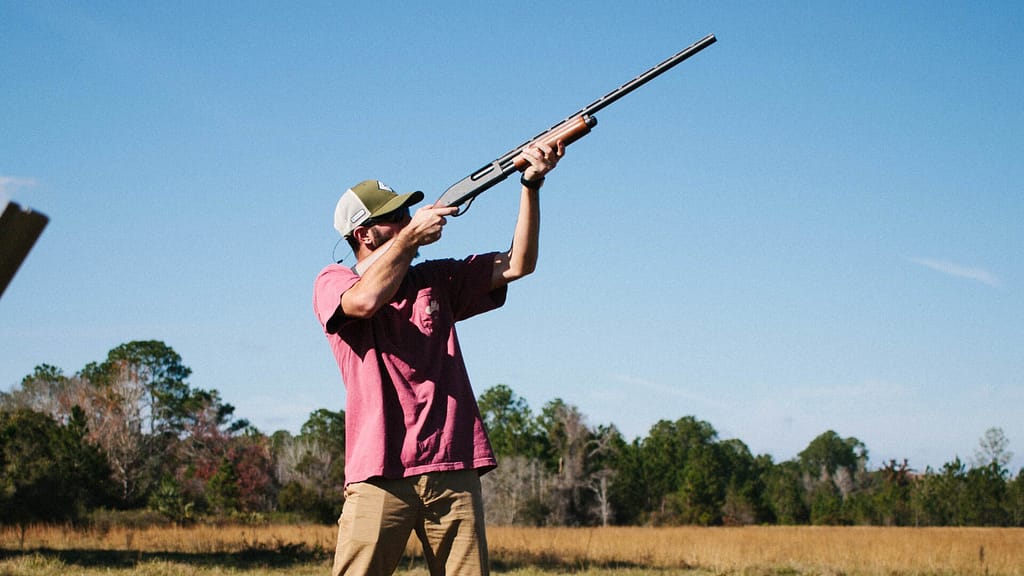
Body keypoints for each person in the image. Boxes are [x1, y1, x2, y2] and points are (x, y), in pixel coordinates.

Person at [312, 141, 564, 576]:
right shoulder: (333, 281)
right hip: (379, 472)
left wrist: (532, 184)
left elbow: (519, 264)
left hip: (453, 462)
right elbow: (364, 301)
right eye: (393, 218)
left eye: (407, 213)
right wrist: (411, 240)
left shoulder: (436, 278)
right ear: (364, 235)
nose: (407, 220)